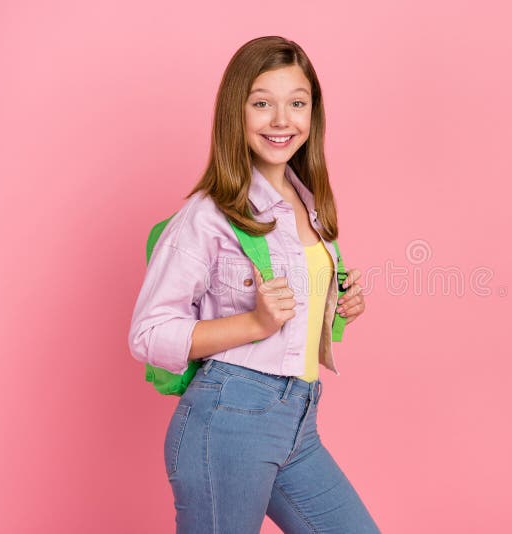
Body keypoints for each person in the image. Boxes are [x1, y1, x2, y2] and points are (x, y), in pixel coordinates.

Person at [127, 35, 381, 533]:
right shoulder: (207, 216)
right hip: (228, 422)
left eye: (297, 103)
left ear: (313, 114)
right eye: (262, 103)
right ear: (235, 112)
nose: (282, 120)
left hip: (299, 423)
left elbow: (300, 301)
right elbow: (148, 334)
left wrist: (341, 300)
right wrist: (254, 322)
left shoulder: (310, 208)